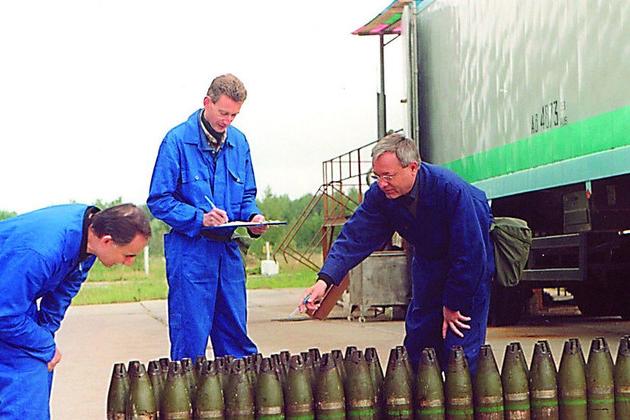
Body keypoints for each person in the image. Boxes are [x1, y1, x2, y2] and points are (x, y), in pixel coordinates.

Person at [299, 134, 495, 373]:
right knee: (419, 349)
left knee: (460, 355)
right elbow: (354, 237)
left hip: (468, 272)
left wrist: (453, 304)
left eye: (388, 176)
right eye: (377, 176)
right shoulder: (380, 196)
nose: (382, 183)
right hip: (427, 265)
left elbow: (470, 255)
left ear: (412, 167)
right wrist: (324, 280)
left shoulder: (451, 191)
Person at [147, 73, 267, 362]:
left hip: (228, 253)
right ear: (207, 102)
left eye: (234, 115)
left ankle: (238, 390)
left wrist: (253, 216)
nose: (227, 121)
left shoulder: (239, 143)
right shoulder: (176, 142)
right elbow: (159, 200)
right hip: (191, 253)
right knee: (190, 342)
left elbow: (247, 194)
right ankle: (188, 391)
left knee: (236, 340)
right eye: (223, 112)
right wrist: (199, 218)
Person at [0, 203, 151, 419]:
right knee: (27, 378)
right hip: (7, 306)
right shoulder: (41, 252)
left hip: (10, 300)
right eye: (128, 255)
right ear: (107, 241)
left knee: (39, 366)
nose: (129, 262)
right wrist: (44, 345)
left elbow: (61, 295)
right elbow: (5, 316)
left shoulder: (88, 237)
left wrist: (46, 334)